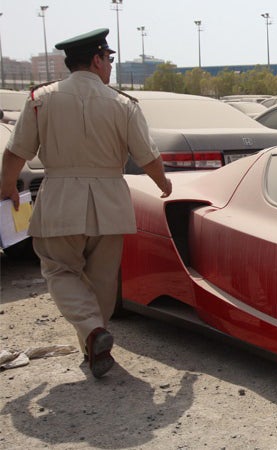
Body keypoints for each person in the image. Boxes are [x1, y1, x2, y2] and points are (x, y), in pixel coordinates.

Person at [0, 28, 172, 378]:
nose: (110, 65)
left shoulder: (40, 99)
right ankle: (94, 344)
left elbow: (16, 151)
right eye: (108, 59)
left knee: (59, 270)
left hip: (61, 200)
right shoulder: (123, 104)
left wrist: (7, 188)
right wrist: (164, 184)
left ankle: (93, 334)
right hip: (110, 204)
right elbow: (148, 157)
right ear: (96, 59)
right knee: (102, 280)